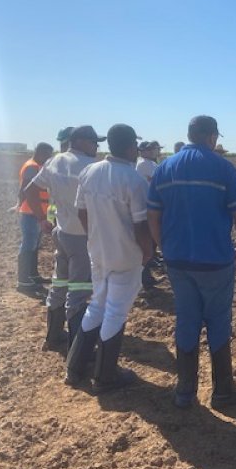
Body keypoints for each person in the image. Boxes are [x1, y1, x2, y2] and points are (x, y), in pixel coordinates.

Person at [147, 115, 236, 409]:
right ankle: (222, 392)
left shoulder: (165, 168)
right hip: (216, 260)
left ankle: (185, 391)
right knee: (218, 321)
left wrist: (162, 246)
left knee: (186, 319)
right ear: (211, 137)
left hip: (177, 260)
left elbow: (153, 215)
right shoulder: (222, 168)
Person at [66, 124, 153, 392]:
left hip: (98, 252)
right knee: (115, 311)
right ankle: (105, 375)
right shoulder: (134, 180)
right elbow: (141, 226)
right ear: (130, 148)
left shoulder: (90, 171)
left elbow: (81, 212)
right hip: (125, 255)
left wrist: (94, 235)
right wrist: (147, 253)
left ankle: (75, 367)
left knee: (97, 305)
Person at [25, 125, 104, 353]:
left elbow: (30, 190)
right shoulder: (91, 166)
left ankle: (53, 336)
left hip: (62, 232)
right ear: (80, 141)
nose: (96, 147)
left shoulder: (54, 161)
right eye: (93, 143)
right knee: (78, 291)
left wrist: (41, 219)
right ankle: (78, 350)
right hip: (82, 236)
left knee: (59, 283)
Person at [16, 142, 55, 296]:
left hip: (36, 212)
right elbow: (26, 188)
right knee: (28, 244)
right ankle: (24, 281)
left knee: (34, 245)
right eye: (48, 154)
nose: (49, 158)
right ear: (40, 152)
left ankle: (32, 276)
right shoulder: (32, 167)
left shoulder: (36, 166)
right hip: (31, 212)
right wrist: (19, 204)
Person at [136, 140, 163, 289]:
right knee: (147, 241)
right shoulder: (146, 164)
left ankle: (146, 274)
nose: (156, 151)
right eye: (153, 149)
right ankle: (144, 277)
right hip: (148, 206)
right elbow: (157, 181)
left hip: (148, 206)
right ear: (144, 151)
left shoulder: (148, 163)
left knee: (150, 241)